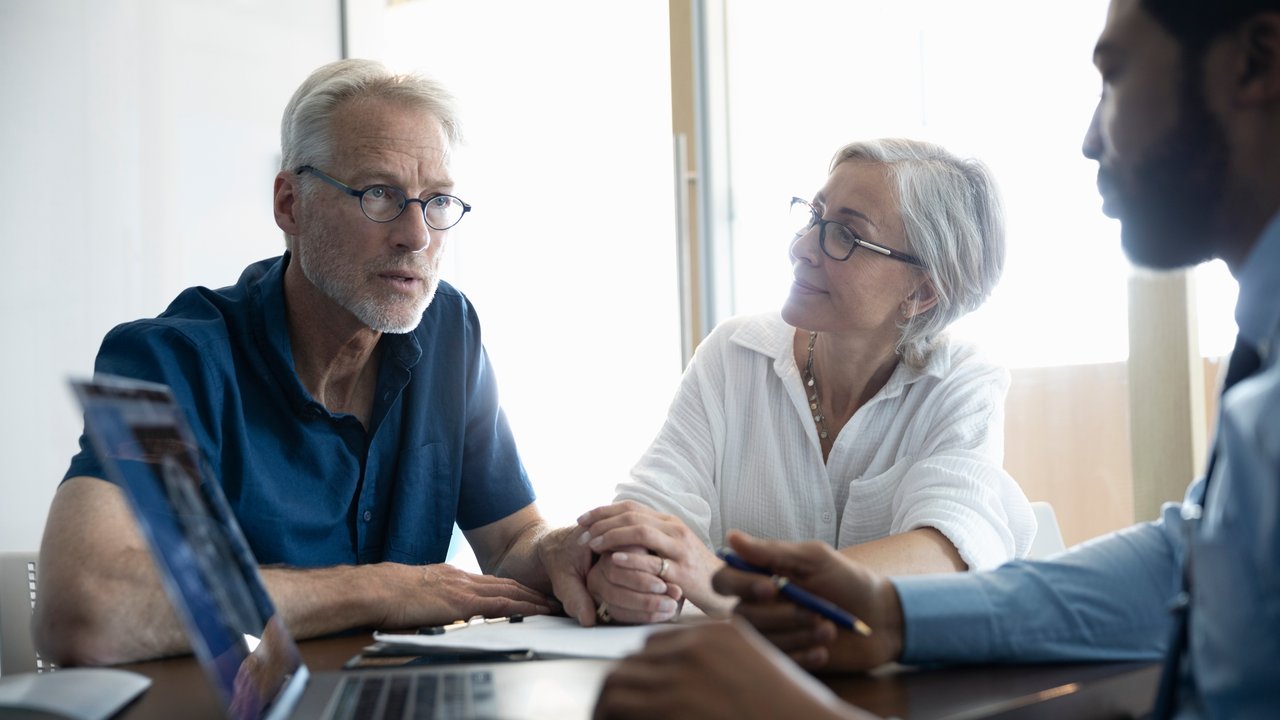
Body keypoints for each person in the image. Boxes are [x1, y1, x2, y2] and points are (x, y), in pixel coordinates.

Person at [594, 0, 1280, 717]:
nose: (1087, 141)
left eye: (1115, 77)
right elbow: (1186, 559)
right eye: (813, 218)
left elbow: (951, 547)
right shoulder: (1263, 349)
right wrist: (892, 618)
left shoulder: (965, 377)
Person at [33, 59, 594, 666]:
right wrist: (385, 589)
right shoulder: (165, 360)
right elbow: (82, 609)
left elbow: (511, 541)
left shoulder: (450, 331)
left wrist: (569, 550)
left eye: (437, 202)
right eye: (379, 194)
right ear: (289, 204)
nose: (417, 236)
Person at [576, 138, 1035, 623]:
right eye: (813, 217)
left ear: (922, 292)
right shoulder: (734, 355)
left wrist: (723, 581)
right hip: (732, 679)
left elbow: (942, 557)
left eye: (844, 235)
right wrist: (626, 572)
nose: (801, 248)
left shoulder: (961, 383)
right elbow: (647, 518)